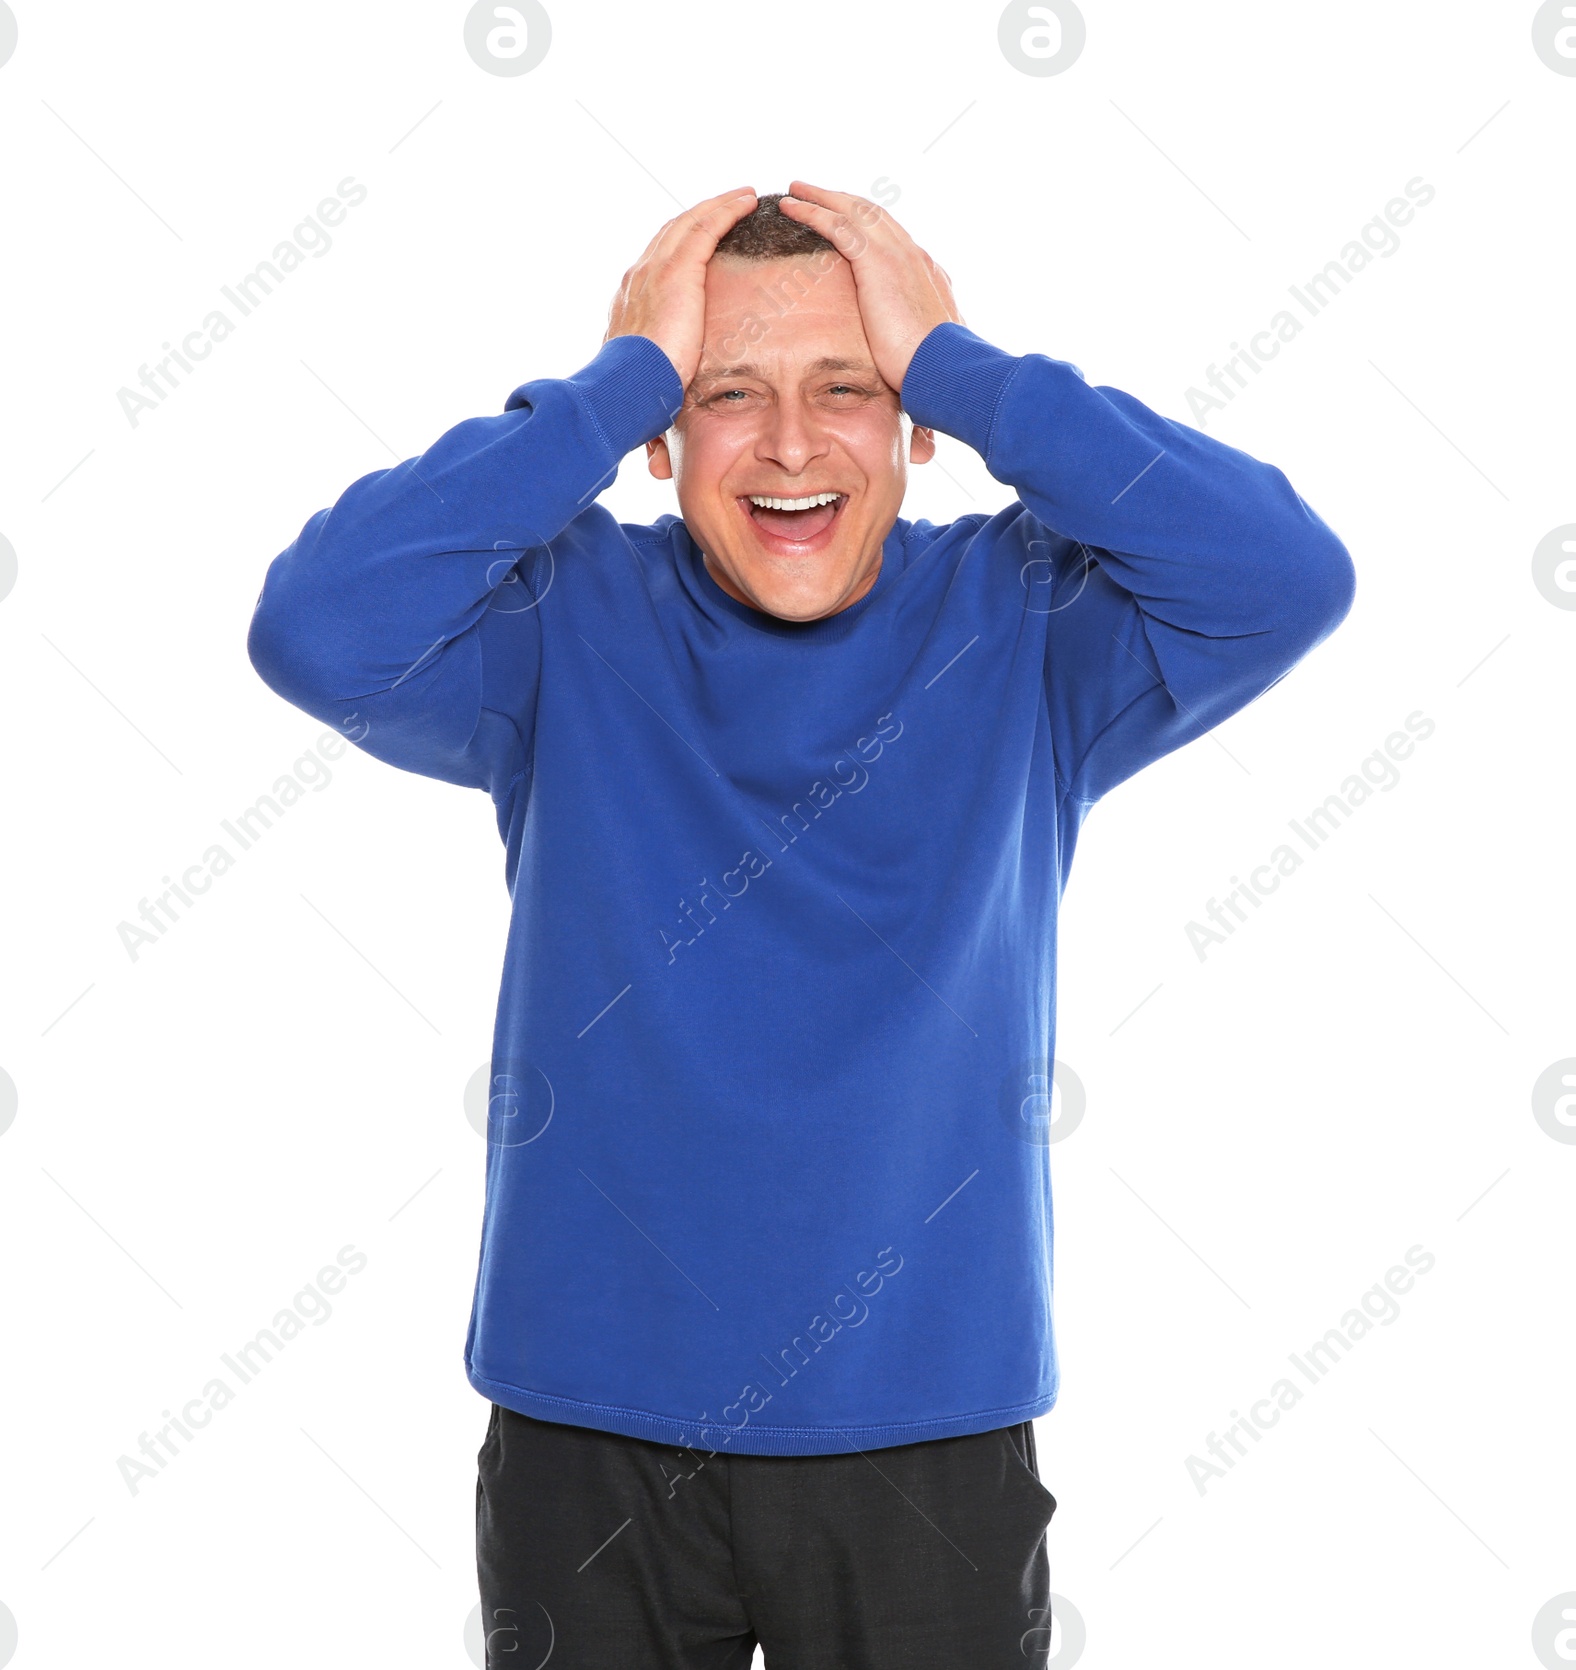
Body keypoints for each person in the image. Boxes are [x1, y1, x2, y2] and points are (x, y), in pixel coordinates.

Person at [247, 182, 1355, 1668]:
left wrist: (967, 367)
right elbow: (316, 624)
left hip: (927, 1435)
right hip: (591, 1433)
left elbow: (1286, 576)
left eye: (850, 387)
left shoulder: (1025, 618)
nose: (787, 445)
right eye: (724, 395)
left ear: (912, 421)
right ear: (662, 435)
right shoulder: (563, 621)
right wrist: (608, 384)